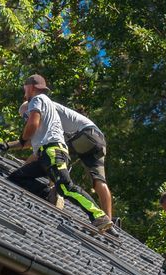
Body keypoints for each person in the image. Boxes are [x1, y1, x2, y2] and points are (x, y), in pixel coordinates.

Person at [8, 74, 111, 231]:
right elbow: (37, 145)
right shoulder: (50, 112)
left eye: (25, 116)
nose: (25, 119)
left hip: (69, 142)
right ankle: (51, 195)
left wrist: (20, 143)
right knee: (18, 176)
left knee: (65, 185)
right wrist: (24, 164)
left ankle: (99, 216)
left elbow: (33, 133)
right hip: (89, 139)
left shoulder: (39, 102)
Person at [52, 99, 113, 219]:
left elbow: (39, 141)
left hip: (85, 136)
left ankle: (53, 186)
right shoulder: (66, 115)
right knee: (99, 180)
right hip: (98, 139)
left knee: (53, 152)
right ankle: (108, 219)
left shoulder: (43, 107)